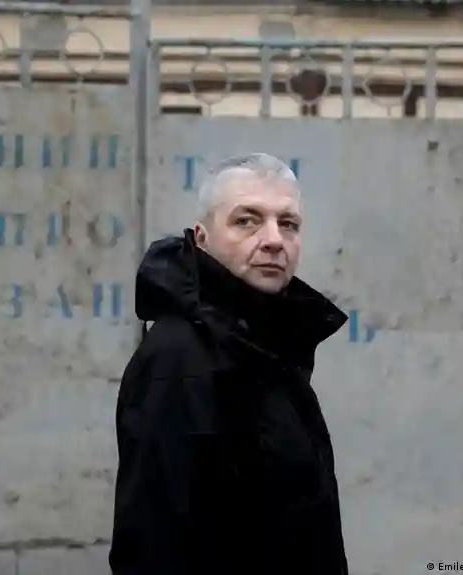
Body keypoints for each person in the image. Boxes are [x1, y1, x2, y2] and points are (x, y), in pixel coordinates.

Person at [109, 153, 350, 575]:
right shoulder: (180, 356)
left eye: (288, 223)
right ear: (202, 238)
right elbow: (154, 545)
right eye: (247, 221)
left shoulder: (267, 345)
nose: (274, 239)